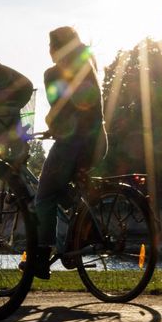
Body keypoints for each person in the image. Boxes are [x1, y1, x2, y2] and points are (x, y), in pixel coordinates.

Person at [30, 26, 107, 279]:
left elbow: (61, 109)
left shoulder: (53, 73)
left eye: (50, 46)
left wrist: (51, 123)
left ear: (56, 48)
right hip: (97, 142)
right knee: (62, 190)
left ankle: (40, 258)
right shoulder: (88, 63)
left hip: (73, 144)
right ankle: (83, 233)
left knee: (43, 195)